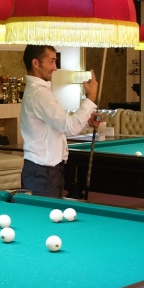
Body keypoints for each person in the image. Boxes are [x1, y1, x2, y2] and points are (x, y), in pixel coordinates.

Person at [20, 45, 101, 198]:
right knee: (45, 213)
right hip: (43, 172)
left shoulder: (39, 91)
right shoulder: (39, 93)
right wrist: (91, 97)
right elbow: (70, 127)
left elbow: (59, 124)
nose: (55, 68)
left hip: (45, 170)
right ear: (35, 63)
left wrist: (86, 120)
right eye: (51, 61)